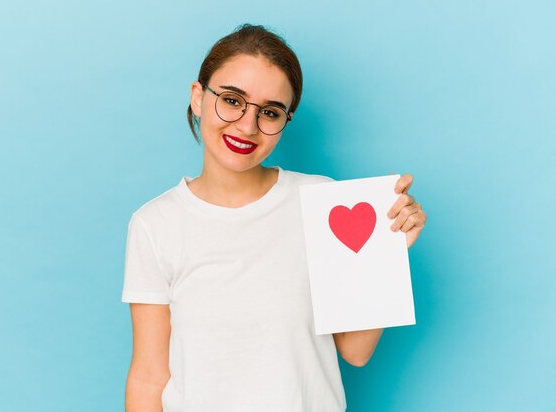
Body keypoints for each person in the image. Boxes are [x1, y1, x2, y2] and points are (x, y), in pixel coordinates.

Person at [122, 24, 427, 412]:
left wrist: (388, 251)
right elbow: (149, 377)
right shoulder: (154, 224)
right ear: (198, 97)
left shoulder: (324, 203)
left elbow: (356, 351)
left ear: (285, 120)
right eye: (232, 100)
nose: (248, 126)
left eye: (269, 112)